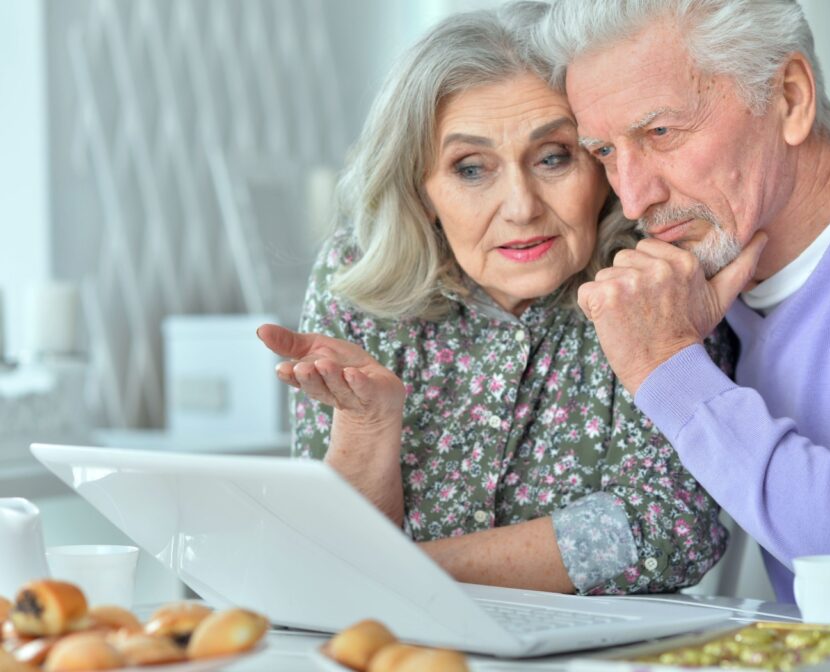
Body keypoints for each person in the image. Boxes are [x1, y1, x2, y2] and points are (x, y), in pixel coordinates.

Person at [538, 0, 830, 647]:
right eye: (603, 151)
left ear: (790, 97)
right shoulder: (700, 263)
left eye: (660, 134)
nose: (633, 198)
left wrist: (667, 366)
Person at [257, 1, 733, 597]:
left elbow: (668, 529)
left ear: (600, 161)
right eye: (472, 168)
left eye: (553, 157)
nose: (521, 206)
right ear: (422, 191)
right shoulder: (362, 272)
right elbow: (328, 555)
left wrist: (399, 572)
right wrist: (366, 426)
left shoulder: (651, 278)